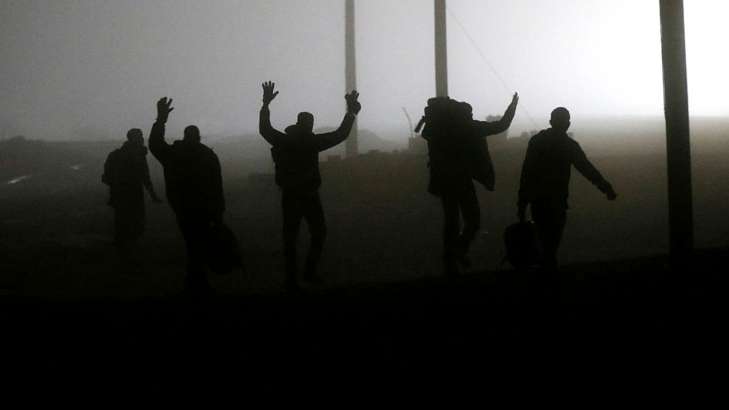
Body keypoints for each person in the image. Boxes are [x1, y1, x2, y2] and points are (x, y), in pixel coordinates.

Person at [258, 81, 361, 291]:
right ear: (309, 125)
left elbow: (265, 129)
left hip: (291, 195)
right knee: (317, 233)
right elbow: (340, 134)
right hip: (309, 195)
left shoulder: (284, 141)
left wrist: (266, 104)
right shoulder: (311, 142)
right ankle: (308, 272)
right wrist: (351, 113)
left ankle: (292, 278)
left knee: (291, 237)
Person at [420, 93, 519, 275]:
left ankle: (450, 259)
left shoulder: (439, 129)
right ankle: (459, 250)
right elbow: (501, 125)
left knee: (451, 221)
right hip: (462, 180)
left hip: (443, 180)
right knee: (473, 220)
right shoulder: (469, 127)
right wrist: (512, 106)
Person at [517, 107, 617, 271]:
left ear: (551, 122)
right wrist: (605, 187)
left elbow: (526, 174)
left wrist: (521, 204)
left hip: (538, 202)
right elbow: (587, 169)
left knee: (543, 242)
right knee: (551, 246)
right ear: (568, 124)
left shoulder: (537, 141)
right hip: (558, 202)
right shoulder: (569, 145)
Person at [148, 97, 227, 295]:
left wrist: (161, 120)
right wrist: (218, 213)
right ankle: (197, 282)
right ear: (198, 137)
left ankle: (195, 282)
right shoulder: (207, 155)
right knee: (197, 244)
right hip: (203, 208)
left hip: (182, 206)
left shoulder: (175, 154)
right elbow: (217, 186)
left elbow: (155, 144)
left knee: (193, 243)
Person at [102, 128, 162, 251]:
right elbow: (145, 176)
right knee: (135, 222)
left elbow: (107, 176)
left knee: (123, 221)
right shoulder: (137, 155)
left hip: (121, 193)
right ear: (134, 138)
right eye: (140, 136)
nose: (142, 139)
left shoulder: (117, 155)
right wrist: (153, 195)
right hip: (132, 192)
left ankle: (123, 248)